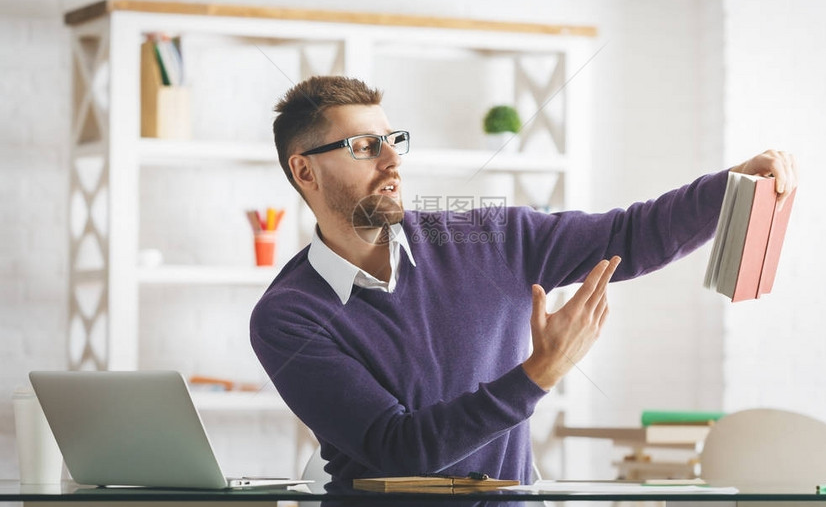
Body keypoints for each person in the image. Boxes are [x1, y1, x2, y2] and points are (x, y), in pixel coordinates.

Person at [250, 75, 797, 489]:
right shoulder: (289, 314)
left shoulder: (492, 235)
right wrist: (540, 372)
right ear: (305, 171)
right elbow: (398, 448)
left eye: (392, 140)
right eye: (365, 147)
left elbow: (631, 233)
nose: (392, 159)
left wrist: (732, 186)